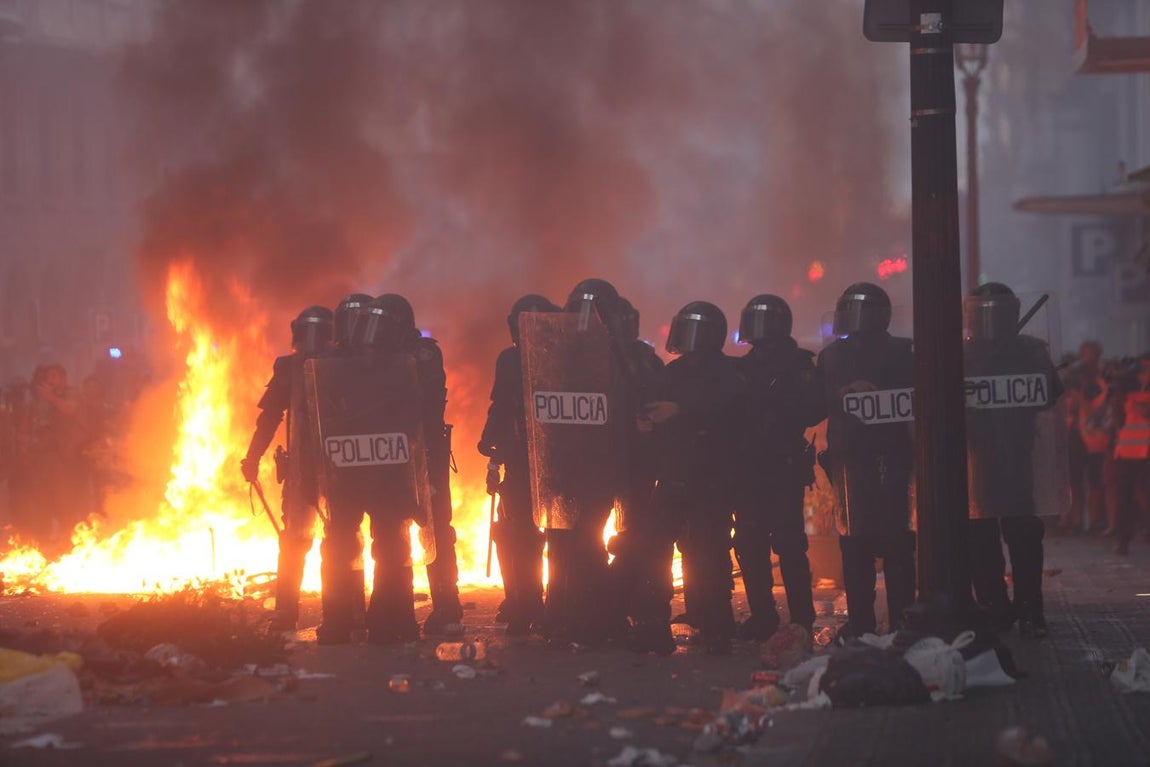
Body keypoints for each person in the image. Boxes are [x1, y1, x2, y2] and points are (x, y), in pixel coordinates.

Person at [638, 301, 745, 655]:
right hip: (673, 476)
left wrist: (681, 411)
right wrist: (648, 423)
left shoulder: (728, 374)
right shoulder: (671, 373)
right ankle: (654, 626)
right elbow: (656, 409)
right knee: (654, 549)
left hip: (711, 479)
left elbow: (726, 409)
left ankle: (717, 628)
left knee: (708, 554)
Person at [964, 283, 1064, 637]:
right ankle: (995, 606)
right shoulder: (964, 355)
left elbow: (1049, 393)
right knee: (981, 535)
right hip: (977, 456)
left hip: (1016, 453)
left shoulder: (1029, 351)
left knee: (1022, 535)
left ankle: (1026, 608)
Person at [817, 282, 916, 638]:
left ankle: (892, 620)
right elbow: (814, 402)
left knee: (892, 544)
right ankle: (870, 622)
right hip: (854, 461)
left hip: (888, 458)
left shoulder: (903, 352)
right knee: (860, 544)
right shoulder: (831, 357)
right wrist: (842, 393)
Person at [732, 294, 825, 640]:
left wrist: (780, 405)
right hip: (747, 467)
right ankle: (763, 616)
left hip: (783, 465)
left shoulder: (799, 365)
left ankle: (801, 618)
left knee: (788, 543)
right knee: (749, 543)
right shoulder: (741, 368)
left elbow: (815, 409)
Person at [375, 293, 464, 635]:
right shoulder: (376, 356)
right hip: (389, 454)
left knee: (436, 530)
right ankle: (396, 609)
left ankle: (447, 606)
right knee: (390, 532)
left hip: (424, 453)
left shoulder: (424, 354)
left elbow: (420, 399)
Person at [241, 305, 334, 632]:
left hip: (325, 469)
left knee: (309, 543)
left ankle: (304, 614)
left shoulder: (307, 367)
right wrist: (252, 457)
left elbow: (269, 418)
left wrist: (253, 457)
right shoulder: (332, 365)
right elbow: (270, 418)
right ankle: (330, 614)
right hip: (320, 469)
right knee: (310, 541)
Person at [478, 294, 559, 635]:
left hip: (558, 460)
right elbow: (501, 404)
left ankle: (556, 605)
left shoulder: (564, 357)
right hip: (519, 461)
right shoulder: (509, 360)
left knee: (560, 539)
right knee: (517, 537)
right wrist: (491, 441)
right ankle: (525, 603)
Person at [1111, 354, 1150, 555]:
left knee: (1144, 495)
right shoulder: (1128, 393)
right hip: (1127, 452)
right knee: (1124, 498)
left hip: (1145, 453)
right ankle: (1123, 539)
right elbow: (1119, 419)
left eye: (1145, 369)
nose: (1142, 373)